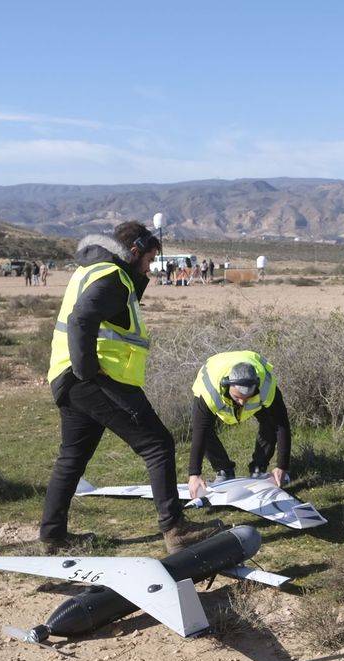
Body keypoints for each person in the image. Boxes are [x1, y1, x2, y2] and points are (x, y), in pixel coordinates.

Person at [40, 220, 223, 555]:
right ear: (135, 251)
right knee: (158, 444)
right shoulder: (113, 276)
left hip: (68, 378)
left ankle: (53, 538)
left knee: (72, 458)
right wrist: (88, 371)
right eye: (150, 260)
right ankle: (175, 529)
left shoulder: (92, 270)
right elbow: (82, 319)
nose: (151, 268)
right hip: (96, 378)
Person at [187, 351, 292, 501]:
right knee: (205, 431)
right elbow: (199, 432)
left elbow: (282, 426)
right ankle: (224, 470)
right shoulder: (209, 392)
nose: (242, 402)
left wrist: (282, 466)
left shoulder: (266, 386)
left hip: (250, 374)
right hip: (213, 374)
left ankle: (259, 468)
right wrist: (194, 474)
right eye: (238, 397)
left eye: (247, 397)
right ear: (227, 385)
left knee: (270, 422)